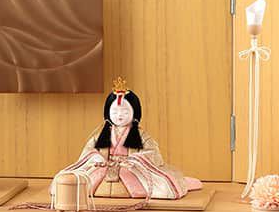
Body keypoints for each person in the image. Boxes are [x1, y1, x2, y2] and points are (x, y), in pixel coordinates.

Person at [55, 77, 201, 199]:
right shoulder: (100, 135)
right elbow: (88, 151)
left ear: (134, 113)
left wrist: (135, 160)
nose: (119, 115)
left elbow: (153, 153)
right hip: (104, 168)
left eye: (125, 111)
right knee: (74, 183)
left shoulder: (141, 136)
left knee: (160, 187)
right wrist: (97, 158)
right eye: (115, 111)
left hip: (130, 169)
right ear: (107, 113)